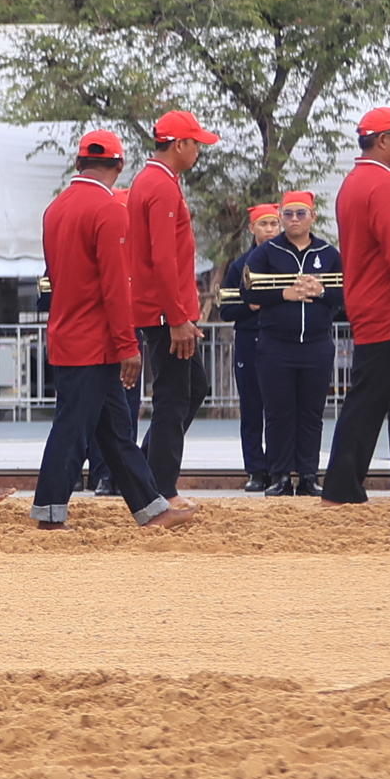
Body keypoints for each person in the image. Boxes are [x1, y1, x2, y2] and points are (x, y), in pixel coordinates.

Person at [35, 129, 179, 527]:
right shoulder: (111, 209)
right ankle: (48, 510)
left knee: (114, 430)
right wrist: (126, 344)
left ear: (79, 163)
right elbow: (116, 286)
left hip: (68, 331)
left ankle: (150, 508)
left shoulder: (56, 208)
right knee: (74, 429)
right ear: (119, 164)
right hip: (95, 340)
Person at [317, 108, 390, 507]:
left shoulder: (355, 182)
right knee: (374, 401)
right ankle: (343, 488)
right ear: (382, 140)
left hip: (380, 306)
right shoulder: (382, 186)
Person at [125, 109, 217, 497]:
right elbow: (163, 257)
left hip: (166, 309)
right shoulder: (160, 186)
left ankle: (146, 475)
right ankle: (158, 490)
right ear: (179, 144)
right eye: (195, 143)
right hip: (165, 313)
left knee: (195, 387)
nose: (198, 150)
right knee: (173, 399)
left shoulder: (155, 181)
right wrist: (177, 316)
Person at [243, 191, 341, 494]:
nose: (294, 219)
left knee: (312, 413)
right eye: (288, 214)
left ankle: (309, 475)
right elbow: (248, 292)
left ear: (312, 216)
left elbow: (346, 294)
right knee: (278, 412)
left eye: (301, 213)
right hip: (276, 344)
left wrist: (322, 292)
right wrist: (282, 294)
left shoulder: (328, 252)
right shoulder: (267, 252)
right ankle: (281, 475)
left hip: (316, 344)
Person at [213, 203, 279, 486]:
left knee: (280, 408)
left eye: (274, 224)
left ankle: (280, 468)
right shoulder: (239, 266)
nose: (269, 230)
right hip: (249, 340)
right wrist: (250, 306)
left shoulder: (289, 261)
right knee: (252, 407)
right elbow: (226, 311)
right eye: (263, 224)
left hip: (280, 340)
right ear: (252, 228)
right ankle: (255, 469)